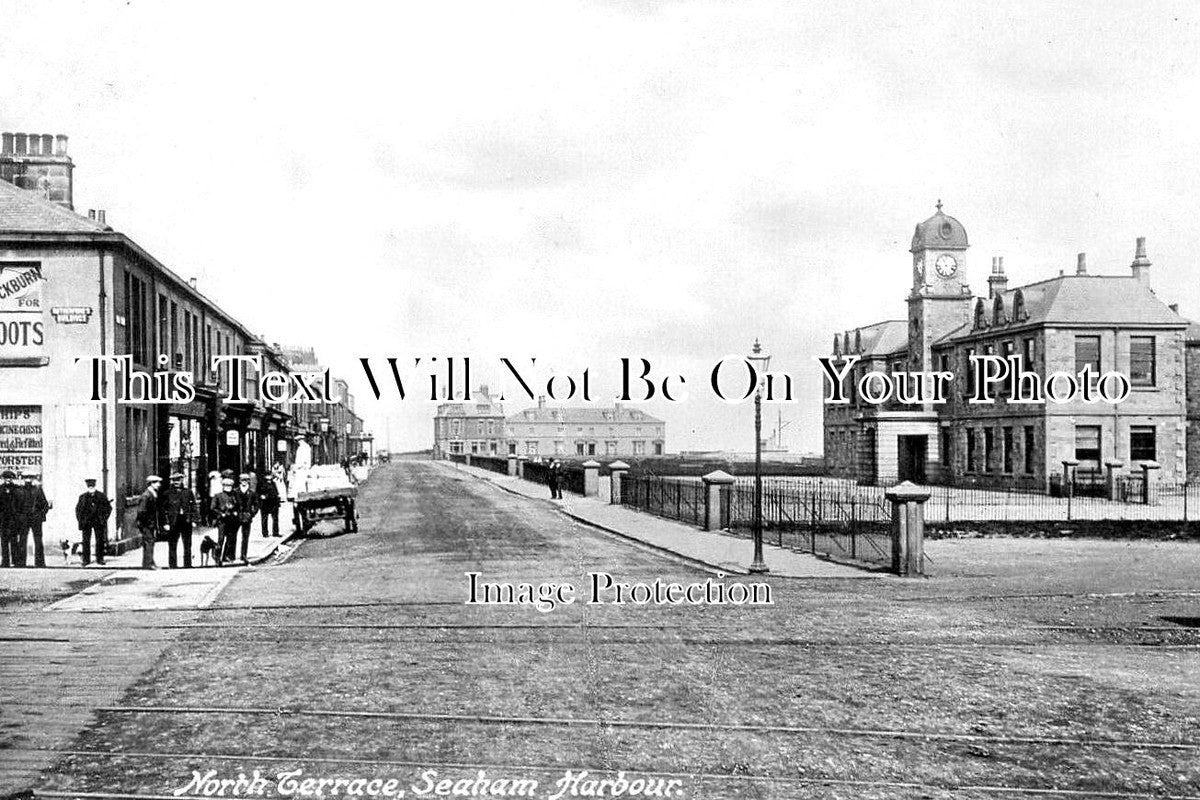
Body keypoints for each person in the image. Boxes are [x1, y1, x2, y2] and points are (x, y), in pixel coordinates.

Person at [162, 473, 198, 568]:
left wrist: (194, 519)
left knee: (187, 543)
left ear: (182, 480)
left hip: (185, 520)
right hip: (173, 521)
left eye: (178, 480)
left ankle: (188, 564)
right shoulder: (167, 493)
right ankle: (173, 564)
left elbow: (193, 506)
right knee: (173, 543)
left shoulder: (188, 492)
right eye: (174, 480)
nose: (176, 482)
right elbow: (163, 509)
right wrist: (166, 523)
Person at [75, 478, 112, 566]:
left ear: (95, 486)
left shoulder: (101, 496)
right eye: (89, 486)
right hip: (87, 522)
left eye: (92, 486)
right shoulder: (82, 497)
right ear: (87, 486)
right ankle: (86, 560)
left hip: (98, 521)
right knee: (86, 541)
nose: (90, 487)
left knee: (100, 540)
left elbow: (108, 508)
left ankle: (100, 559)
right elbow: (78, 510)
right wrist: (81, 520)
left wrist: (104, 518)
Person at [15, 474, 50, 568]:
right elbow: (15, 507)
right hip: (23, 520)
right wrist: (19, 517)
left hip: (36, 519)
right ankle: (21, 563)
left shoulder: (38, 490)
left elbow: (45, 505)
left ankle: (40, 563)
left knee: (38, 540)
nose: (28, 480)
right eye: (26, 478)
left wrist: (40, 515)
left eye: (30, 478)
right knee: (22, 540)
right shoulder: (19, 491)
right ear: (23, 479)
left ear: (32, 479)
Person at [210, 476, 240, 567]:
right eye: (226, 485)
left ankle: (226, 556)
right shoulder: (218, 496)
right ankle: (217, 557)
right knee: (221, 539)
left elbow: (239, 506)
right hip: (222, 521)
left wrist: (236, 512)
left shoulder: (234, 496)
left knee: (230, 539)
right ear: (223, 486)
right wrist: (220, 513)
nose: (228, 487)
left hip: (232, 520)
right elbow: (213, 508)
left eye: (230, 486)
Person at [136, 475, 163, 570]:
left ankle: (148, 562)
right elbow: (141, 512)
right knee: (149, 542)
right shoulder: (146, 496)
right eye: (156, 483)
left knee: (149, 542)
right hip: (146, 524)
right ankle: (148, 564)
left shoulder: (152, 494)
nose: (159, 485)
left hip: (149, 524)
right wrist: (148, 523)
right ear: (151, 484)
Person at [236, 473, 260, 563]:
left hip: (247, 517)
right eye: (243, 480)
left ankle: (243, 555)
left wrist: (252, 513)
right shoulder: (236, 491)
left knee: (245, 537)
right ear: (240, 481)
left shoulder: (252, 493)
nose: (244, 482)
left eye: (246, 480)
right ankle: (230, 555)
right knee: (232, 536)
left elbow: (257, 505)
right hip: (237, 516)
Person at [0, 470, 19, 567]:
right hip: (3, 519)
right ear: (3, 479)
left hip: (13, 518)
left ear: (12, 479)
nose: (8, 480)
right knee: (3, 541)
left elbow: (19, 504)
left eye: (10, 478)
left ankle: (15, 561)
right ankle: (5, 561)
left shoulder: (16, 489)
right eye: (6, 478)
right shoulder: (0, 489)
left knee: (14, 540)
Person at [259, 470, 281, 537]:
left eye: (270, 475)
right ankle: (265, 533)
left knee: (275, 519)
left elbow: (276, 492)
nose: (269, 477)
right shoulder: (261, 483)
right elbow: (258, 493)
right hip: (265, 503)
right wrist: (262, 496)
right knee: (264, 519)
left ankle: (275, 532)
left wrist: (278, 499)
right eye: (268, 475)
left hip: (274, 503)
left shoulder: (273, 483)